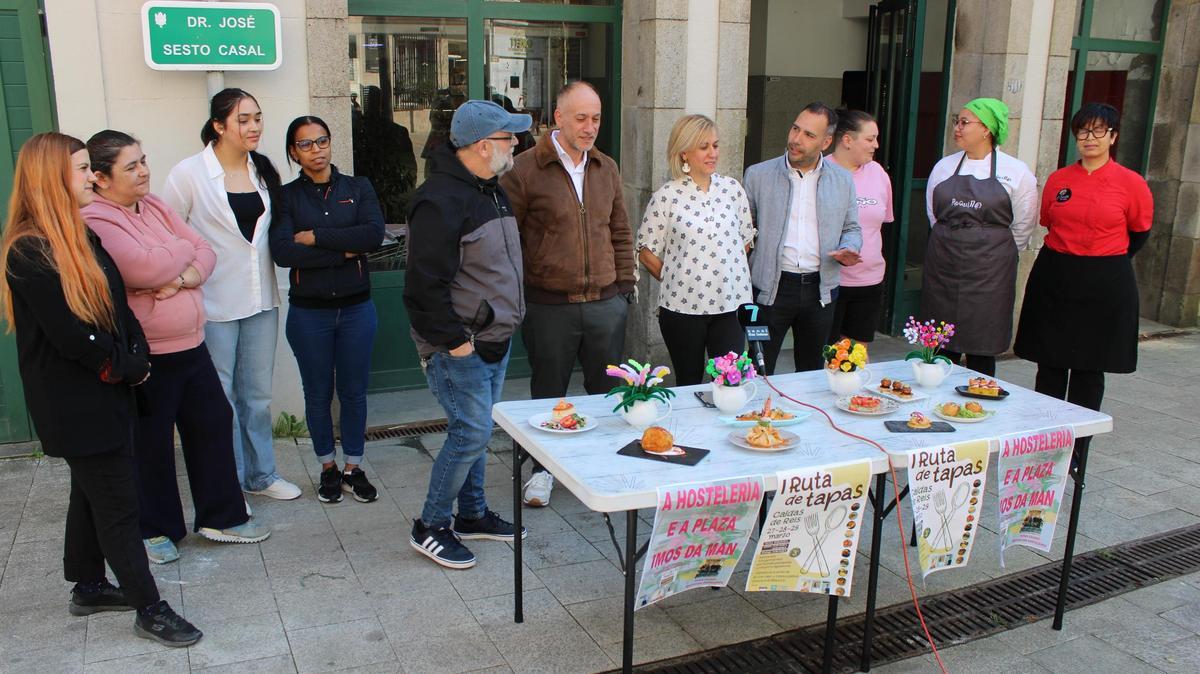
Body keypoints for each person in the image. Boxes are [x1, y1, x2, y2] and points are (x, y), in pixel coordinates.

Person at [0, 132, 202, 645]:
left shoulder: (79, 231)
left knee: (90, 491)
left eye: (90, 166)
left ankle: (88, 586)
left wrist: (136, 352)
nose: (92, 176)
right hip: (75, 402)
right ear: (52, 179)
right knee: (117, 504)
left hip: (108, 388)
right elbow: (72, 335)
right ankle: (149, 607)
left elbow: (116, 306)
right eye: (82, 168)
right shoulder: (29, 250)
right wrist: (127, 367)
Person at [83, 131, 271, 564]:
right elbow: (142, 269)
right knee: (152, 442)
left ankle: (222, 516)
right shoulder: (96, 217)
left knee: (212, 422)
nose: (143, 171)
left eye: (143, 160)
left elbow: (205, 250)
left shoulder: (153, 205)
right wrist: (177, 252)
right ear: (101, 178)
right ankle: (154, 529)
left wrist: (181, 274)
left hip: (191, 343)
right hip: (150, 352)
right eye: (131, 166)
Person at [404, 99, 530, 569]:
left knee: (478, 433)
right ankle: (431, 525)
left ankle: (472, 514)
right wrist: (456, 344)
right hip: (461, 346)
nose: (515, 144)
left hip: (494, 338)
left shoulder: (491, 190)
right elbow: (422, 288)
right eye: (507, 138)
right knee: (469, 433)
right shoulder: (439, 200)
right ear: (482, 146)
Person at [163, 88, 302, 501]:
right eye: (243, 120)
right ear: (219, 126)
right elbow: (168, 234)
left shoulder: (263, 170)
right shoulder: (188, 174)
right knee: (219, 397)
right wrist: (181, 278)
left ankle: (261, 475)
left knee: (257, 397)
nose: (254, 126)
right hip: (213, 302)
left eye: (257, 117)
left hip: (260, 299)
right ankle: (228, 484)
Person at [500, 81, 635, 508]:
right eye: (581, 118)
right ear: (558, 118)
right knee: (548, 394)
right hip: (549, 305)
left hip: (604, 302)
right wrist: (522, 292)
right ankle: (543, 471)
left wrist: (624, 288)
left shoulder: (606, 167)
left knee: (608, 395)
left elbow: (619, 230)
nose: (590, 127)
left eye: (596, 118)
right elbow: (508, 240)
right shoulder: (524, 169)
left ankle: (603, 467)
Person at [1014, 102, 1152, 450]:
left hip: (1104, 280)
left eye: (1098, 130)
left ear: (1113, 136)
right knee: (1051, 363)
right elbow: (1048, 221)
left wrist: (1104, 259)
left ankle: (1078, 447)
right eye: (1083, 131)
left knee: (1089, 368)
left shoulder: (1131, 183)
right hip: (1057, 275)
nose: (1090, 138)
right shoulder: (1059, 180)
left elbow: (1139, 232)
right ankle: (1044, 440)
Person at [271, 116, 386, 504]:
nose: (316, 150)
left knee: (354, 392)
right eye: (305, 144)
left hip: (356, 310)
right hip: (309, 314)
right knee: (317, 394)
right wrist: (344, 251)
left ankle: (353, 466)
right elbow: (284, 252)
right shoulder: (286, 197)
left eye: (322, 141)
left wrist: (316, 238)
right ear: (294, 152)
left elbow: (372, 235)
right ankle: (327, 467)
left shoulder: (358, 187)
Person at [743, 102, 862, 374]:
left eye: (809, 135)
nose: (796, 139)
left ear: (826, 142)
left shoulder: (842, 180)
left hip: (820, 290)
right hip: (769, 290)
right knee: (759, 369)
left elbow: (852, 228)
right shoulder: (758, 175)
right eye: (795, 129)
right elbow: (743, 230)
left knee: (811, 372)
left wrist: (849, 247)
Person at [922, 97, 1038, 376]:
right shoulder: (943, 167)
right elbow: (933, 215)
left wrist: (992, 249)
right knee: (941, 344)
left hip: (990, 273)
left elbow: (1023, 224)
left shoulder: (1016, 172)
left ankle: (980, 395)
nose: (957, 128)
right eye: (956, 121)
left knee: (982, 344)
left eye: (964, 122)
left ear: (987, 129)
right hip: (944, 266)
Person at [637, 114, 755, 385]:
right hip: (683, 309)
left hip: (731, 305)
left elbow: (745, 241)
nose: (713, 153)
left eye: (715, 145)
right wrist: (676, 277)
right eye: (704, 147)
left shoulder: (732, 190)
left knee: (729, 383)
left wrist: (723, 273)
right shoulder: (666, 196)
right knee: (688, 382)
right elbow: (645, 249)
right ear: (684, 153)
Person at [827, 110, 893, 343]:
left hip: (869, 281)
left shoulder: (878, 173)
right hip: (831, 282)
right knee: (826, 353)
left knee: (856, 354)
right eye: (870, 139)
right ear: (847, 139)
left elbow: (882, 223)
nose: (876, 145)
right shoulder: (822, 172)